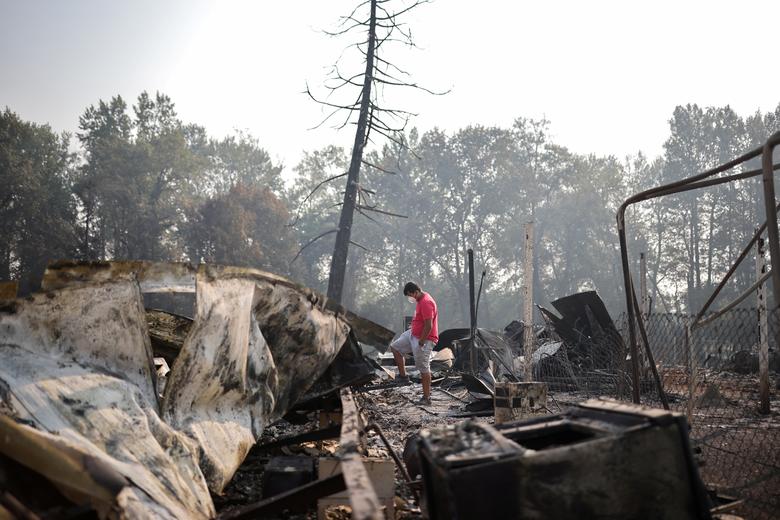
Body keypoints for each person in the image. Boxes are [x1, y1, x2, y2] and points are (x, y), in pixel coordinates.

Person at [389, 282, 439, 405]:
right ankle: (403, 377)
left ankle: (427, 398)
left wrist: (421, 341)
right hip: (413, 334)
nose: (410, 298)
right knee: (395, 347)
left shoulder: (426, 302)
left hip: (425, 339)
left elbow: (429, 325)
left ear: (415, 291)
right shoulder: (420, 300)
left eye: (410, 295)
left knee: (423, 368)